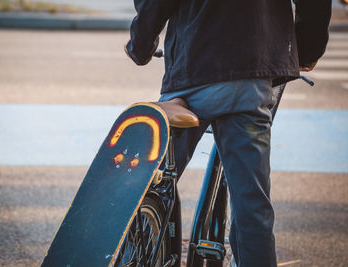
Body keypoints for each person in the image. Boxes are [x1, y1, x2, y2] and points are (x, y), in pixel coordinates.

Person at [125, 0, 332, 266]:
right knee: (252, 209)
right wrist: (307, 50)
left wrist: (140, 46)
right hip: (253, 68)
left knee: (146, 180)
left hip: (194, 66)